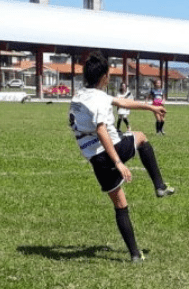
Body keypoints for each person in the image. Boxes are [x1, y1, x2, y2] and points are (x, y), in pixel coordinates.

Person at [68, 51, 175, 263]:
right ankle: (159, 186)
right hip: (109, 151)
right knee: (142, 137)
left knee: (120, 204)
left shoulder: (80, 96)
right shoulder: (99, 99)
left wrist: (149, 106)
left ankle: (135, 254)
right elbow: (101, 130)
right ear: (104, 77)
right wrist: (118, 162)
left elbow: (121, 103)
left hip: (95, 159)